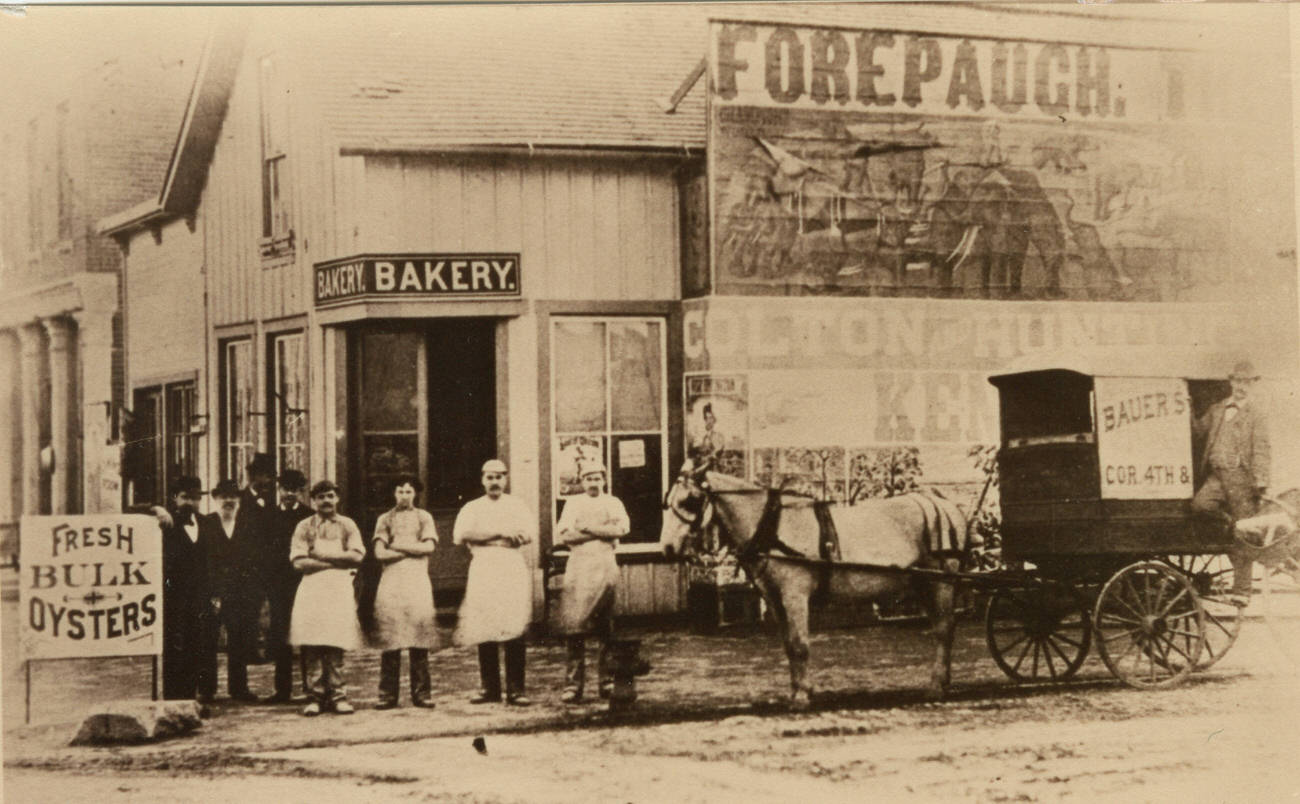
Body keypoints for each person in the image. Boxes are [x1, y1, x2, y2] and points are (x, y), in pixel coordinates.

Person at [453, 459, 536, 706]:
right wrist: (499, 534)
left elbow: (527, 534)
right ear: (482, 480)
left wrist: (509, 537)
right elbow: (462, 535)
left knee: (513, 626)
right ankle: (489, 688)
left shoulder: (517, 505)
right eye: (490, 477)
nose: (495, 482)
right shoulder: (472, 507)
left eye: (499, 477)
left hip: (510, 567)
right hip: (484, 568)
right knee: (485, 625)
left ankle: (516, 689)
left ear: (506, 479)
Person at [1192, 360, 1271, 607]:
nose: (1242, 387)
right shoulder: (1217, 409)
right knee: (1200, 506)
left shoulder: (1257, 414)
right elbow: (1197, 431)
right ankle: (1229, 523)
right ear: (1231, 382)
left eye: (1247, 382)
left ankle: (1242, 592)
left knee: (1246, 534)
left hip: (1241, 479)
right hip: (1216, 476)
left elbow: (1262, 449)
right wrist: (1185, 408)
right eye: (1238, 381)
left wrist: (1261, 482)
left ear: (1253, 385)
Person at [556, 460, 629, 703]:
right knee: (575, 628)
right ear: (582, 481)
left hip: (605, 567)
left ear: (604, 480)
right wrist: (601, 530)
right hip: (579, 568)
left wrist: (587, 528)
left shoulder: (613, 502)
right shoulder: (573, 503)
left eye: (597, 478)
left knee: (606, 629)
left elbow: (620, 531)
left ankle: (606, 682)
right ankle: (573, 685)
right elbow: (567, 536)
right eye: (588, 478)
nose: (593, 483)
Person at [289, 480, 365, 716]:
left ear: (337, 498)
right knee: (312, 644)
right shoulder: (304, 526)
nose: (326, 501)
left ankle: (338, 695)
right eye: (321, 497)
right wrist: (334, 561)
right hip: (312, 590)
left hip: (338, 590)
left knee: (335, 643)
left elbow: (357, 556)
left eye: (330, 496)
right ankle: (315, 696)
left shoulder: (347, 525)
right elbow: (299, 561)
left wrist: (321, 556)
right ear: (313, 501)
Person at [371, 475, 439, 709]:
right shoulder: (384, 519)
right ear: (393, 493)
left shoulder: (424, 517)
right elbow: (380, 553)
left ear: (415, 494)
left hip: (417, 580)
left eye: (408, 491)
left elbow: (428, 547)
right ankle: (387, 695)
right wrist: (412, 550)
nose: (404, 496)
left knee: (419, 638)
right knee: (391, 638)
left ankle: (422, 694)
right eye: (400, 491)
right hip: (391, 582)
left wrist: (397, 546)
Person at [200, 479, 264, 703]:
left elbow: (256, 560)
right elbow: (202, 562)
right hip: (212, 594)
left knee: (239, 640)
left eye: (233, 497)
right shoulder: (205, 523)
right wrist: (211, 593)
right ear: (215, 499)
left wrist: (253, 593)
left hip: (240, 593)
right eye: (223, 496)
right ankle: (206, 690)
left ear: (239, 500)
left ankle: (239, 689)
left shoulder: (249, 524)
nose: (228, 501)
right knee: (208, 640)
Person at [261, 469, 311, 704]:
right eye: (285, 489)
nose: (289, 494)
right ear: (279, 490)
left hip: (306, 582)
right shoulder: (268, 515)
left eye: (294, 489)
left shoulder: (310, 516)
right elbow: (262, 553)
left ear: (301, 491)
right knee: (281, 636)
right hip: (278, 584)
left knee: (308, 636)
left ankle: (312, 688)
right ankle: (282, 690)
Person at [160, 475, 210, 701]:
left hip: (200, 595)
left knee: (196, 644)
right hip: (173, 595)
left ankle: (191, 698)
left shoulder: (208, 523)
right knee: (173, 645)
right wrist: (156, 509)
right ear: (174, 498)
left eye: (195, 498)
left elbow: (215, 561)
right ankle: (173, 698)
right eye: (184, 497)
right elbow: (132, 510)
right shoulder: (166, 522)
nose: (189, 503)